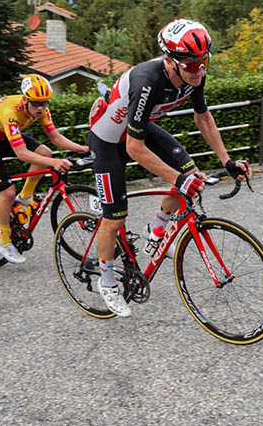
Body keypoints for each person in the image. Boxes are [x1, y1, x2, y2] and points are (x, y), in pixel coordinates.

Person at [88, 19, 251, 318]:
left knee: (192, 177)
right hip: (109, 140)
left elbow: (203, 118)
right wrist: (178, 179)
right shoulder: (147, 80)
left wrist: (227, 161)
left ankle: (158, 226)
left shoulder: (195, 75)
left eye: (204, 62)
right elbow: (133, 149)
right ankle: (107, 281)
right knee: (114, 218)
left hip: (139, 130)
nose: (200, 70)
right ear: (171, 61)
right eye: (192, 65)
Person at [0, 74, 89, 264]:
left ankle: (25, 198)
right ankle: (4, 242)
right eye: (36, 104)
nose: (40, 108)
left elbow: (55, 138)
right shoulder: (11, 113)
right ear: (25, 100)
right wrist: (55, 163)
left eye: (44, 103)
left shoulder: (42, 110)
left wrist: (84, 148)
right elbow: (22, 153)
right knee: (6, 193)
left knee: (45, 153)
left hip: (0, 137)